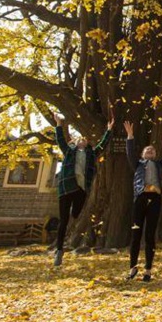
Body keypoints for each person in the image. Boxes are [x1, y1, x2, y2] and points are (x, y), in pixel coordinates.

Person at [52, 112, 112, 267]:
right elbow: (60, 140)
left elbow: (103, 145)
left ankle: (73, 219)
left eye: (84, 139)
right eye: (79, 139)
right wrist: (59, 124)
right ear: (75, 142)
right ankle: (59, 251)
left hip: (81, 189)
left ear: (87, 143)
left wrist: (109, 130)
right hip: (66, 188)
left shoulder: (91, 154)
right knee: (63, 220)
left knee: (77, 212)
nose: (82, 141)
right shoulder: (69, 152)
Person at [124, 120, 162, 281]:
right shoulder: (137, 164)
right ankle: (132, 268)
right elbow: (130, 153)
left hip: (155, 199)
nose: (150, 151)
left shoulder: (159, 164)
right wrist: (130, 136)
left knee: (150, 235)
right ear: (143, 154)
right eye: (147, 150)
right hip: (141, 198)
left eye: (152, 150)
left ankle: (148, 270)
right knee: (136, 234)